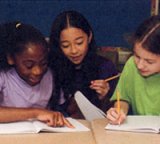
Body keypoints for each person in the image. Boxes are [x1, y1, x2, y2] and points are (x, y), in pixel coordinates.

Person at [0, 21, 72, 128]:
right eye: (29, 65)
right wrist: (36, 113)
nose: (37, 71)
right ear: (11, 58)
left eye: (43, 63)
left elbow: (69, 109)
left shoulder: (51, 76)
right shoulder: (4, 77)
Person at [49, 10, 119, 118]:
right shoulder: (51, 68)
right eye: (66, 45)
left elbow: (117, 112)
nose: (74, 50)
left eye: (79, 43)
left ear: (89, 37)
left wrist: (106, 97)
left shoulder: (106, 68)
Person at [106, 15, 160, 125]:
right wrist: (119, 111)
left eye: (149, 62)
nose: (140, 65)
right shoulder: (132, 65)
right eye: (137, 56)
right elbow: (123, 98)